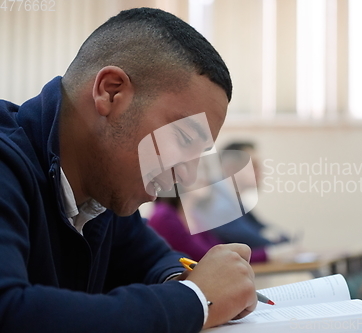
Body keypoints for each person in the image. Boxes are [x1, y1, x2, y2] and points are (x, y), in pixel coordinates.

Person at [0, 8, 257, 333]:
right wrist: (197, 299)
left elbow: (154, 261)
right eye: (183, 138)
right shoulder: (7, 162)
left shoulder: (102, 194)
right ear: (110, 92)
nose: (187, 176)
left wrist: (186, 279)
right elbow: (10, 313)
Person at [195, 141, 290, 248]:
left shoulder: (231, 200)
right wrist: (283, 245)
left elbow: (261, 228)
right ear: (231, 168)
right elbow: (250, 240)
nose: (261, 171)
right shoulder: (215, 201)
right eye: (254, 165)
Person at [148, 197, 268, 262]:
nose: (205, 178)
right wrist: (268, 254)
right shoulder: (164, 216)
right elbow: (208, 258)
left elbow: (218, 249)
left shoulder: (194, 215)